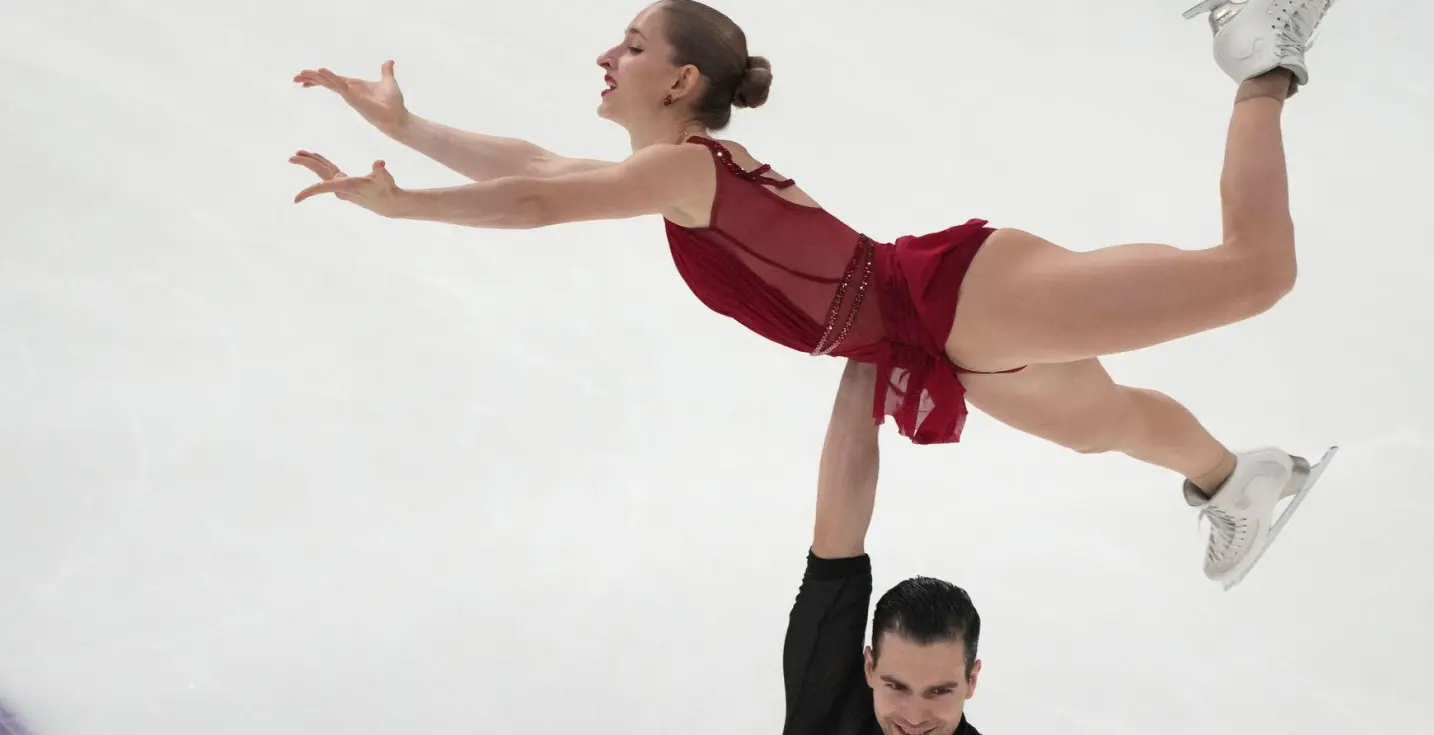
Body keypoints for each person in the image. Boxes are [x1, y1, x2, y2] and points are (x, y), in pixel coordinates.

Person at [287, 0, 1338, 588]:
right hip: (939, 331)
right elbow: (535, 169)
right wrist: (406, 129)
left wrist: (407, 208)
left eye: (634, 43)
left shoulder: (682, 170)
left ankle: (1258, 53)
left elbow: (533, 206)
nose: (608, 54)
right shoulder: (676, 173)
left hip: (957, 295)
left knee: (1256, 273)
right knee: (1099, 423)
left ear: (680, 81)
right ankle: (1233, 483)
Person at [756, 357, 1434, 735]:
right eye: (898, 685)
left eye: (938, 691)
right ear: (867, 665)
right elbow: (836, 538)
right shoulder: (830, 719)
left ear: (973, 680)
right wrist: (868, 354)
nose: (913, 713)